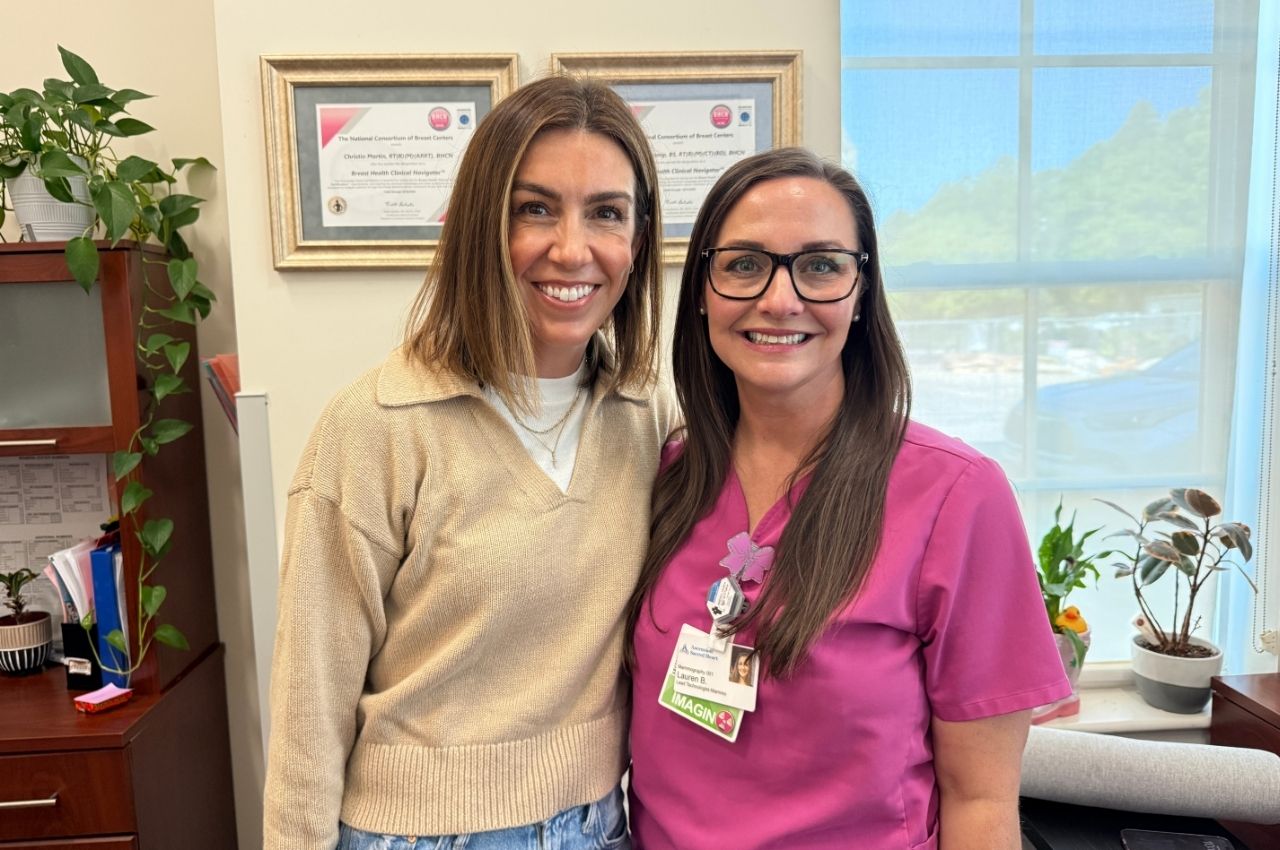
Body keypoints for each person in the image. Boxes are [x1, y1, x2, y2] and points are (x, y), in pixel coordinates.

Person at [264, 75, 672, 850]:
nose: (572, 249)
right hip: (416, 836)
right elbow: (308, 705)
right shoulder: (377, 426)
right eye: (535, 209)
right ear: (481, 225)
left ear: (639, 240)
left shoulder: (648, 415)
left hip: (599, 823)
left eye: (607, 213)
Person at [626, 148, 1070, 850]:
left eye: (822, 266)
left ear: (861, 294)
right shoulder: (664, 477)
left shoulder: (956, 496)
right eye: (744, 264)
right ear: (703, 290)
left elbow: (981, 799)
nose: (780, 299)